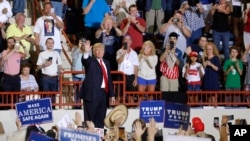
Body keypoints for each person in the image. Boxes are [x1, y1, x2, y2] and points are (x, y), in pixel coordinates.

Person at [79, 41, 115, 128]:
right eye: (97, 50)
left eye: (101, 50)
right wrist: (86, 52)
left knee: (101, 119)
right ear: (94, 52)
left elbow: (109, 79)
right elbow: (85, 60)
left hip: (103, 95)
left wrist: (112, 95)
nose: (100, 52)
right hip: (92, 94)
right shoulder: (91, 61)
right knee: (90, 120)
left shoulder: (106, 63)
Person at [71, 38, 85, 108]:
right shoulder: (75, 48)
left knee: (83, 89)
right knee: (76, 89)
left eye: (83, 42)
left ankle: (84, 104)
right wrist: (78, 48)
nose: (82, 43)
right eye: (80, 42)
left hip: (84, 73)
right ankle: (77, 104)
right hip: (75, 72)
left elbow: (90, 57)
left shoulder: (87, 50)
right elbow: (73, 56)